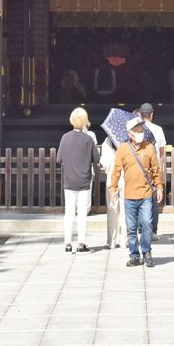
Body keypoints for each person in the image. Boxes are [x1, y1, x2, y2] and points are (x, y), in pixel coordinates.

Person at [110, 116, 162, 267]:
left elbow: (156, 169)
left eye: (141, 129)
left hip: (146, 193)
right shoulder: (123, 149)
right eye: (138, 130)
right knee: (131, 227)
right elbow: (116, 171)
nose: (141, 132)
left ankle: (146, 251)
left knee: (147, 223)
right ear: (130, 133)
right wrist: (113, 189)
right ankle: (134, 254)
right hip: (130, 195)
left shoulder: (149, 147)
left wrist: (159, 186)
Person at [58, 106, 97, 253]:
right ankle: (81, 243)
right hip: (84, 180)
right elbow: (96, 158)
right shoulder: (88, 139)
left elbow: (59, 158)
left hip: (69, 180)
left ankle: (67, 243)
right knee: (81, 213)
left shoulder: (65, 138)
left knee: (69, 212)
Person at [137, 101, 167, 237]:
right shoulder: (158, 129)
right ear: (152, 114)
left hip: (139, 167)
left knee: (138, 198)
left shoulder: (136, 129)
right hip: (153, 167)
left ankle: (140, 228)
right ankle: (153, 230)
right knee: (154, 200)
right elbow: (162, 151)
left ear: (140, 114)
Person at [100, 131, 122, 250]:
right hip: (125, 178)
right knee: (125, 210)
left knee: (112, 210)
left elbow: (105, 163)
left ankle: (112, 241)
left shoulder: (107, 142)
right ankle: (125, 240)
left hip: (112, 178)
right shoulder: (128, 142)